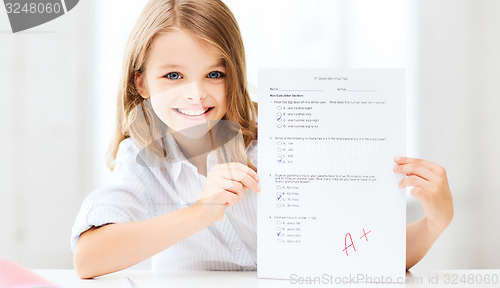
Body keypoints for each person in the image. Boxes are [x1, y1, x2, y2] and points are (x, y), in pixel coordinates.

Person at [71, 0, 454, 279]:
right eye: (173, 75)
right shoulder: (142, 156)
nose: (195, 94)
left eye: (214, 75)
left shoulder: (282, 139)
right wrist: (201, 211)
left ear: (233, 74)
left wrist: (435, 221)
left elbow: (365, 255)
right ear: (141, 80)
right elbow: (89, 258)